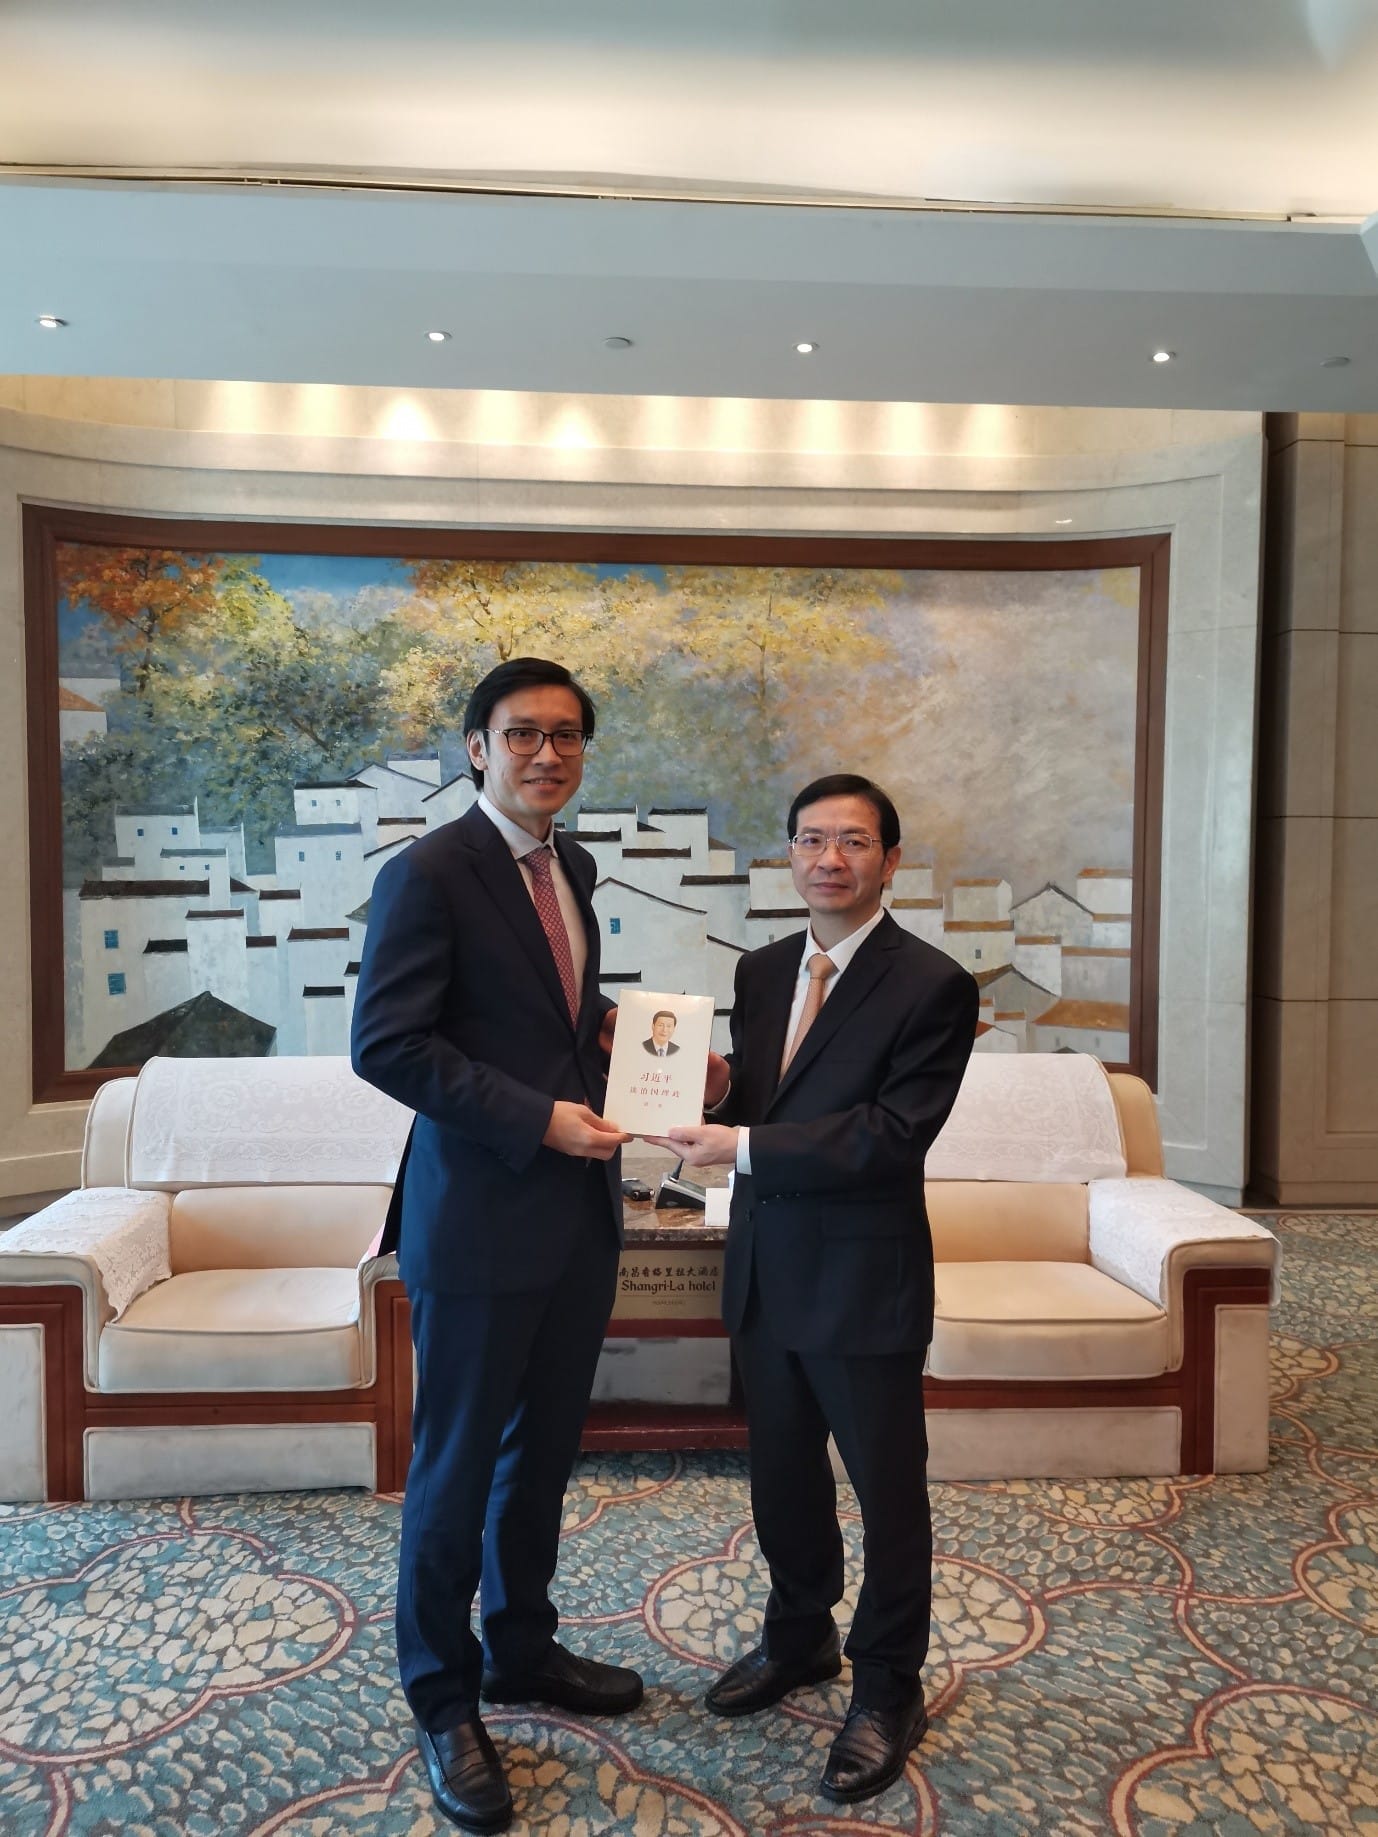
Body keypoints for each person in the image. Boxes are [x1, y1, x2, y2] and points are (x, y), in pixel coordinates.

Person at [351, 657, 639, 1835]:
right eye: (522, 735)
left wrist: (653, 1053)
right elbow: (387, 1044)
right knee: (458, 1462)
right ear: (476, 746)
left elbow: (560, 1025)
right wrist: (537, 1118)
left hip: (576, 1212)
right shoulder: (429, 871)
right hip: (475, 1215)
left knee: (545, 1449)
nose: (547, 755)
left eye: (567, 736)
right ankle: (441, 1691)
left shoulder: (571, 864)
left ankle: (522, 1646)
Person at [659, 773, 978, 1805]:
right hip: (764, 1269)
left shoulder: (931, 984)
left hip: (862, 1280)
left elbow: (890, 1136)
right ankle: (799, 1637)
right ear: (787, 856)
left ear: (888, 858)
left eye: (851, 841)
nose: (827, 859)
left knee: (888, 1495)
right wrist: (715, 1089)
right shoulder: (757, 972)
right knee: (781, 1479)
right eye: (809, 840)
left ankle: (888, 1686)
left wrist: (740, 1136)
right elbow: (771, 1098)